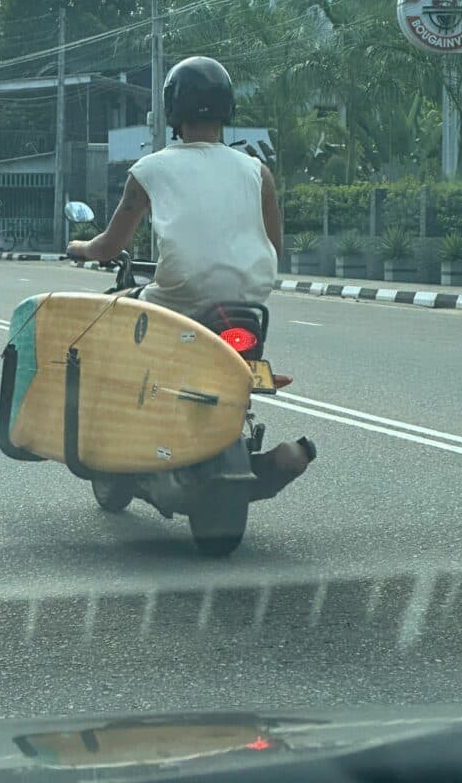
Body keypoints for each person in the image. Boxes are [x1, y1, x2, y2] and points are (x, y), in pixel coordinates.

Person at [66, 55, 311, 479]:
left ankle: (125, 428)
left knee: (114, 311)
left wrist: (79, 246)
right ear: (227, 109)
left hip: (178, 296)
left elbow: (110, 246)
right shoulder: (258, 172)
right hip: (248, 302)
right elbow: (275, 246)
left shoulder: (149, 168)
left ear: (171, 111)